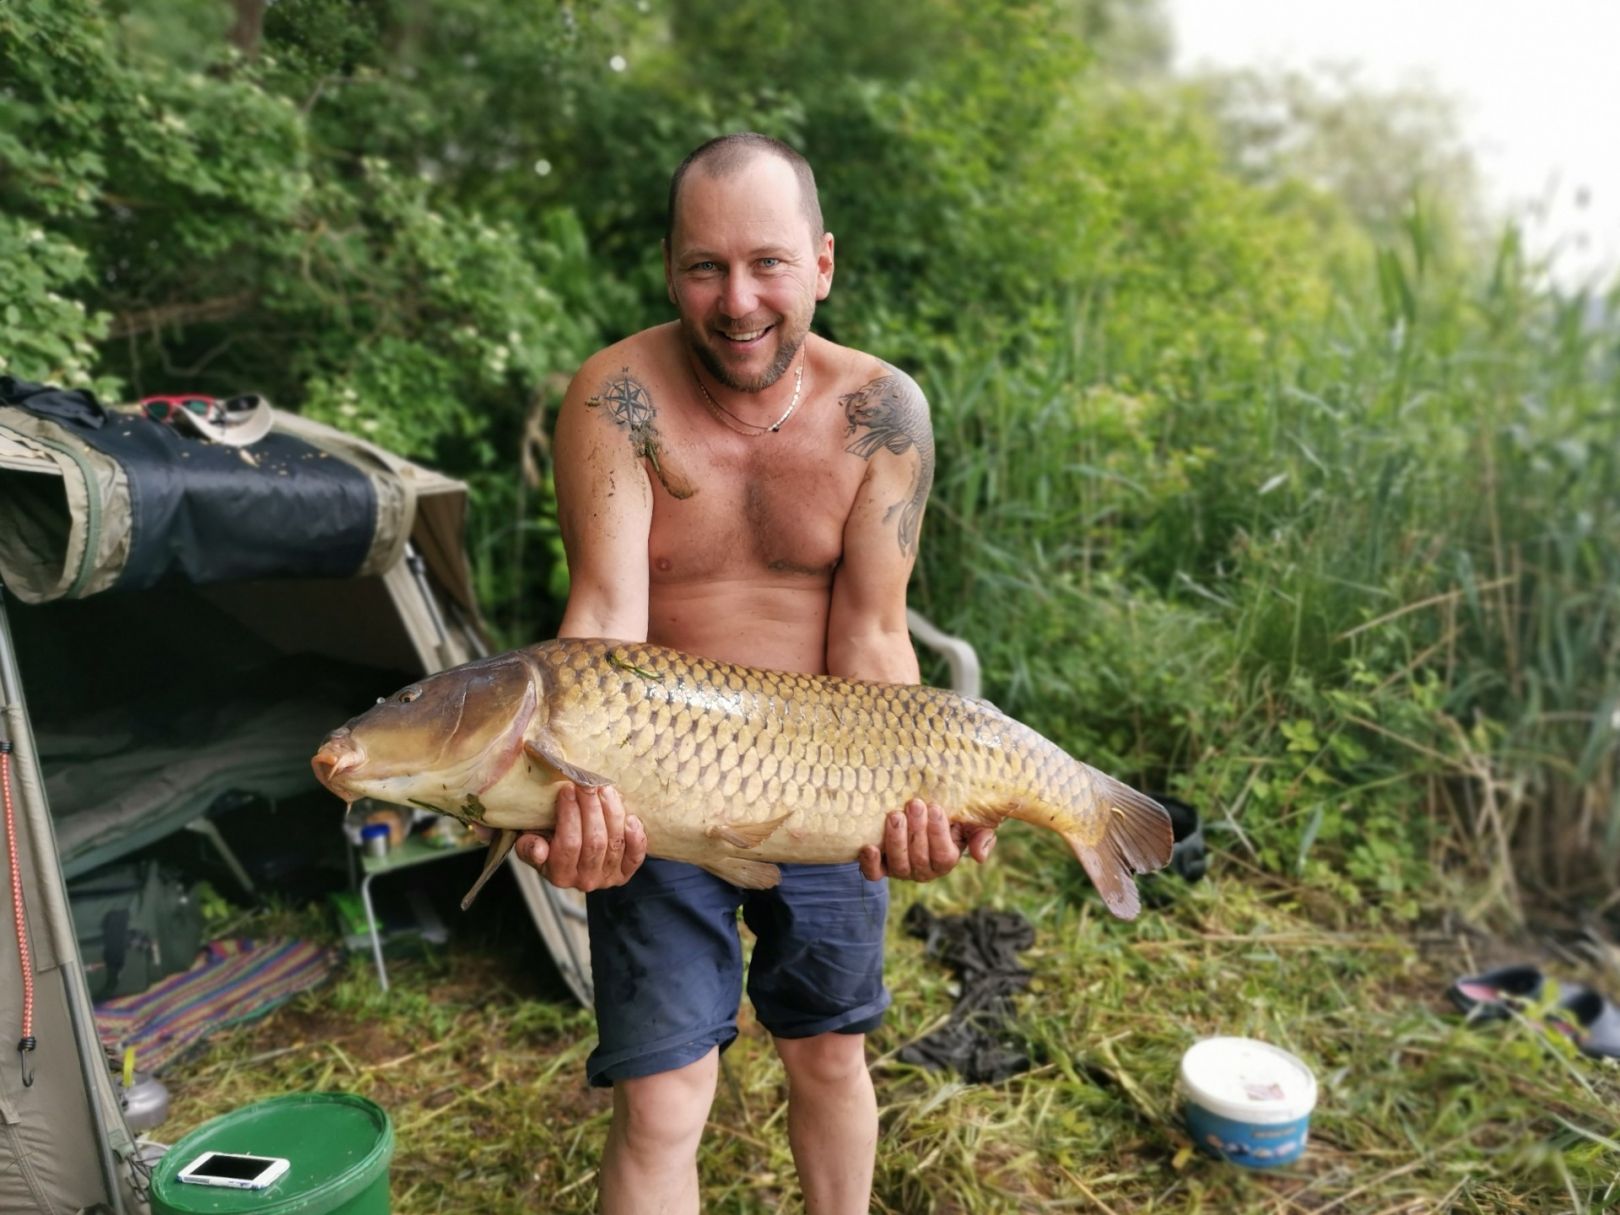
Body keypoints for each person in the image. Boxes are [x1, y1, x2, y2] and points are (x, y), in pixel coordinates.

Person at [514, 132, 996, 1215]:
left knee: (828, 1056)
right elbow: (603, 625)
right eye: (705, 266)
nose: (738, 301)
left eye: (768, 263)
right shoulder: (614, 398)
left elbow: (873, 637)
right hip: (659, 781)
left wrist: (909, 801)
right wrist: (574, 798)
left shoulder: (885, 413)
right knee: (662, 1099)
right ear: (671, 268)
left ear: (822, 263)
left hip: (826, 781)